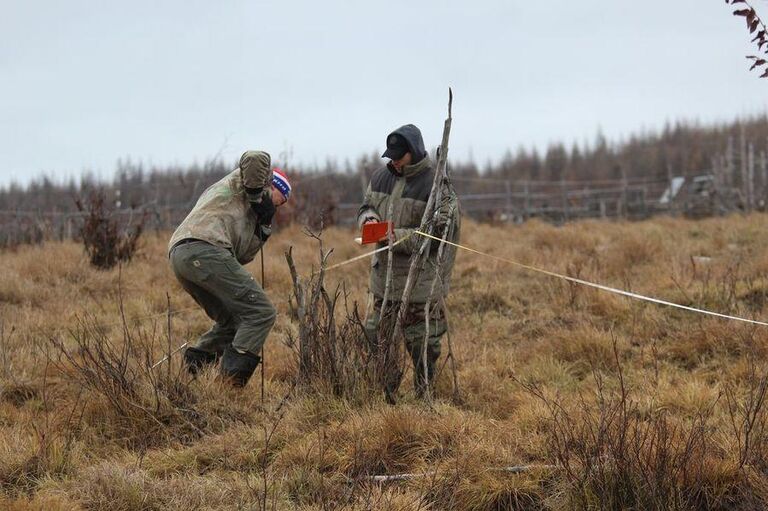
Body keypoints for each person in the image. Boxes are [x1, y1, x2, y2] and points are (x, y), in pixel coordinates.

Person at [168, 151, 291, 387]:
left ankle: (190, 379)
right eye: (281, 199)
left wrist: (263, 224)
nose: (280, 206)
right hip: (204, 247)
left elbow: (242, 257)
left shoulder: (244, 210)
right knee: (261, 312)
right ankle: (227, 388)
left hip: (181, 254)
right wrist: (257, 198)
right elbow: (254, 157)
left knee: (232, 321)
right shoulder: (249, 180)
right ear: (274, 186)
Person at [357, 124, 461, 397]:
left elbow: (438, 234)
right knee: (375, 335)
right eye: (390, 155)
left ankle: (424, 393)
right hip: (384, 281)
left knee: (423, 343)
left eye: (398, 156)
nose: (393, 161)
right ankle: (386, 391)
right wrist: (368, 220)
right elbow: (366, 205)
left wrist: (396, 236)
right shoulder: (380, 177)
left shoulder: (436, 184)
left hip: (420, 284)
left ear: (413, 153)